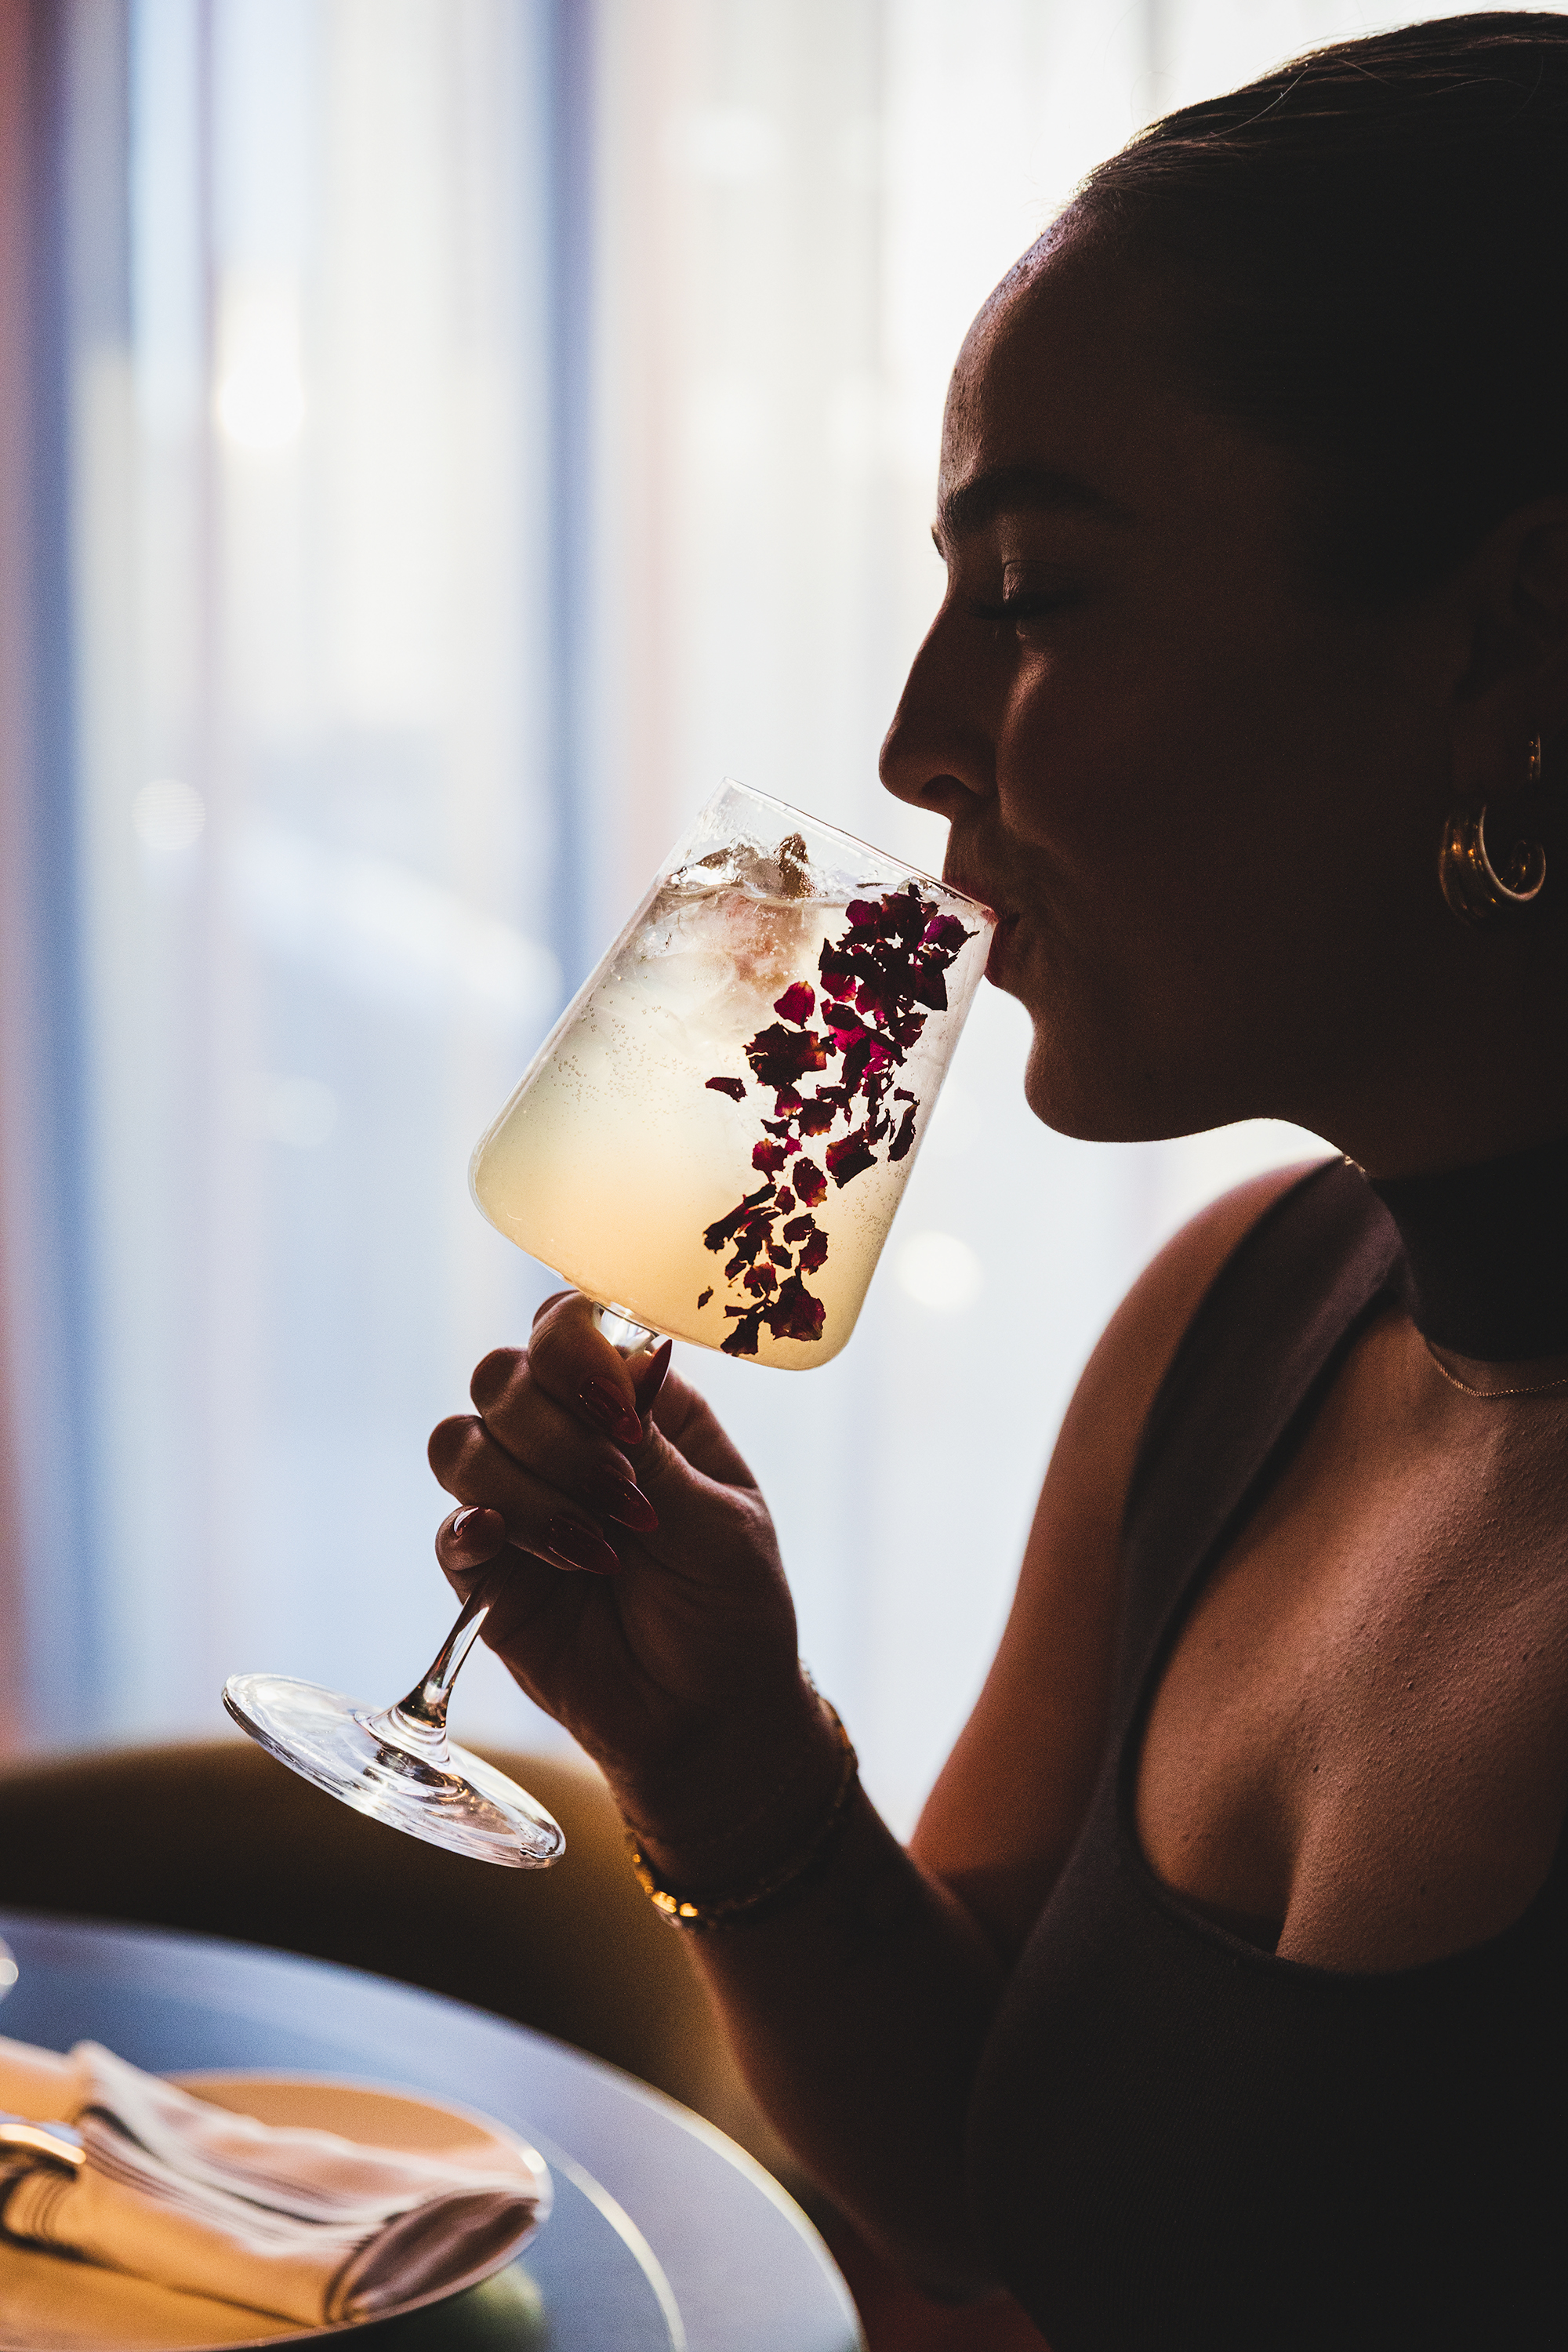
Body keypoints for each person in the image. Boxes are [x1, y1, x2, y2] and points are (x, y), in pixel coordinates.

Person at [428, 16, 1568, 2347]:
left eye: (1031, 591)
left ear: (1504, 651)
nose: (916, 738)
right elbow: (994, 2185)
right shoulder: (1240, 1323)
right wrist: (727, 1768)